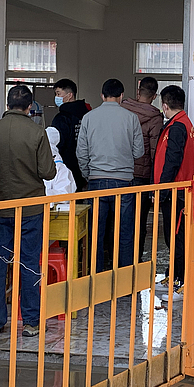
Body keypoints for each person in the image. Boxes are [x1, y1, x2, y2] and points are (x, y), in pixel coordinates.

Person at [0, 84, 57, 339]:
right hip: (31, 208)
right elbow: (48, 172)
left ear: (8, 104)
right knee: (29, 263)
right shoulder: (37, 132)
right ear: (30, 107)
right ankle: (31, 322)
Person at [77, 78, 144, 271]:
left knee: (95, 233)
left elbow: (81, 152)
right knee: (124, 232)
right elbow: (139, 151)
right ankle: (123, 276)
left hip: (96, 181)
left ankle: (96, 276)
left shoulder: (89, 117)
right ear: (121, 96)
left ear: (102, 95)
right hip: (123, 182)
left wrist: (88, 174)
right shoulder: (131, 118)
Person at [151, 85, 194, 303]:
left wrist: (161, 190)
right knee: (174, 237)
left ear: (164, 105)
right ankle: (173, 276)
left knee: (177, 238)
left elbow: (172, 161)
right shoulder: (182, 122)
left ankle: (180, 282)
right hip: (177, 189)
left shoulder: (178, 126)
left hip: (177, 191)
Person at [120, 77, 163, 260]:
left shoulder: (122, 110)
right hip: (142, 177)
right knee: (139, 221)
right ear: (154, 96)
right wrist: (155, 181)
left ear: (138, 92)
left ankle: (118, 261)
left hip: (120, 173)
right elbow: (155, 151)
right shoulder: (155, 118)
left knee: (120, 220)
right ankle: (135, 261)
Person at [50, 79, 91, 190]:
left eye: (58, 93)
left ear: (69, 95)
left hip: (66, 167)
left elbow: (56, 144)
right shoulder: (87, 115)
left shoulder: (62, 118)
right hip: (86, 166)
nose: (56, 97)